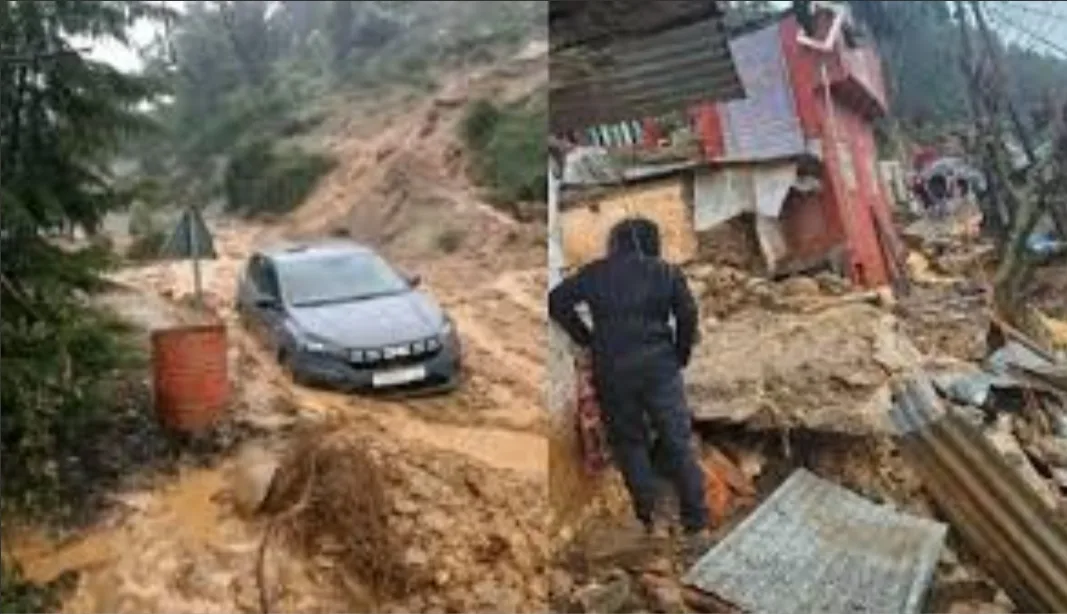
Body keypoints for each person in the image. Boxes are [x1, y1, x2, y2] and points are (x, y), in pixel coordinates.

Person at [548, 217, 710, 549]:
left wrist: (587, 338)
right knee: (678, 441)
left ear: (614, 242)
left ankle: (652, 520)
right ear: (652, 242)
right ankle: (697, 522)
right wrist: (679, 355)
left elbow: (556, 301)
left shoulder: (595, 273)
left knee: (630, 443)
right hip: (660, 367)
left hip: (613, 370)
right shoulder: (666, 272)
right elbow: (687, 317)